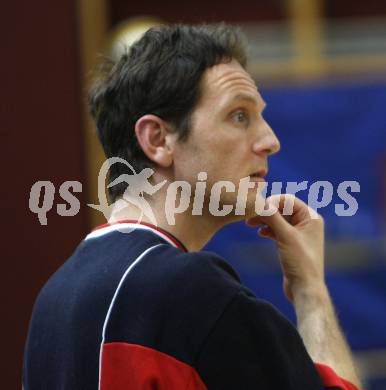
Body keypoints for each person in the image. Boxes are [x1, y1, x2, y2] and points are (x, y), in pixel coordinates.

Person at [23, 24, 362, 389]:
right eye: (239, 116)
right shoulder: (194, 294)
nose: (270, 141)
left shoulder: (52, 301)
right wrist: (311, 291)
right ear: (158, 140)